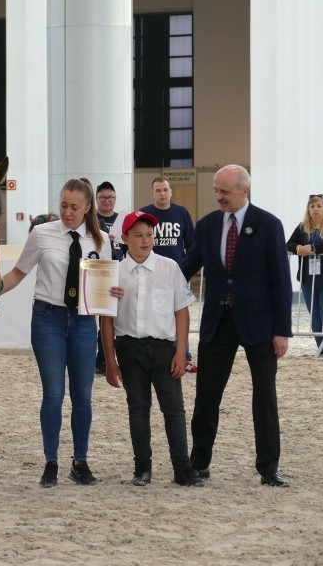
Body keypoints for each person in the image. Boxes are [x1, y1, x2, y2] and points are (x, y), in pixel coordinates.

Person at [0, 178, 113, 488]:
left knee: (83, 396)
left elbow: (106, 285)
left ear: (88, 208)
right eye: (63, 205)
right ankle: (51, 461)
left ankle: (80, 461)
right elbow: (19, 272)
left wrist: (115, 292)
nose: (68, 212)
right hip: (48, 319)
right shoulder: (41, 234)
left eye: (75, 207)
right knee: (54, 394)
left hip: (85, 323)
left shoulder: (101, 240)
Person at [180, 164, 292, 488]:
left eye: (224, 191)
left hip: (260, 324)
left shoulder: (269, 225)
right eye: (216, 190)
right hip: (218, 322)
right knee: (207, 396)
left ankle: (269, 467)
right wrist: (147, 271)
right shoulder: (208, 225)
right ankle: (198, 463)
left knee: (265, 396)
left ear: (245, 191)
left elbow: (281, 281)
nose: (218, 197)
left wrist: (281, 330)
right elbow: (187, 266)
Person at [101, 210, 204, 487]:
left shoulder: (170, 268)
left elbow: (182, 313)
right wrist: (110, 361)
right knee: (138, 408)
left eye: (149, 235)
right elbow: (106, 321)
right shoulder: (114, 273)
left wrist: (182, 352)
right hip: (129, 348)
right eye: (138, 235)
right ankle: (142, 468)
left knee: (174, 409)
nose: (145, 240)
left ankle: (182, 470)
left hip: (165, 349)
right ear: (124, 239)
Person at [141, 177, 197, 373]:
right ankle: (152, 352)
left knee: (180, 313)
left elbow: (192, 244)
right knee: (151, 311)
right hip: (150, 273)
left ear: (171, 192)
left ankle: (186, 355)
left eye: (165, 190)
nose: (162, 194)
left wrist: (187, 269)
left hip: (178, 273)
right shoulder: (144, 214)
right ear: (152, 193)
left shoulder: (181, 213)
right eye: (158, 190)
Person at [286, 194, 323, 357]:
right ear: (308, 210)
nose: (315, 209)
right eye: (312, 206)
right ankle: (321, 349)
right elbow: (288, 244)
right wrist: (298, 247)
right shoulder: (301, 227)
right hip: (308, 278)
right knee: (315, 316)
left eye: (319, 206)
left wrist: (311, 248)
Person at [94, 181, 124, 375]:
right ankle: (100, 359)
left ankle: (107, 359)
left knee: (114, 319)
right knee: (98, 320)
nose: (107, 201)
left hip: (119, 271)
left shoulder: (123, 219)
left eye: (110, 197)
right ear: (96, 200)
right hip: (97, 272)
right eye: (103, 198)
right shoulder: (90, 219)